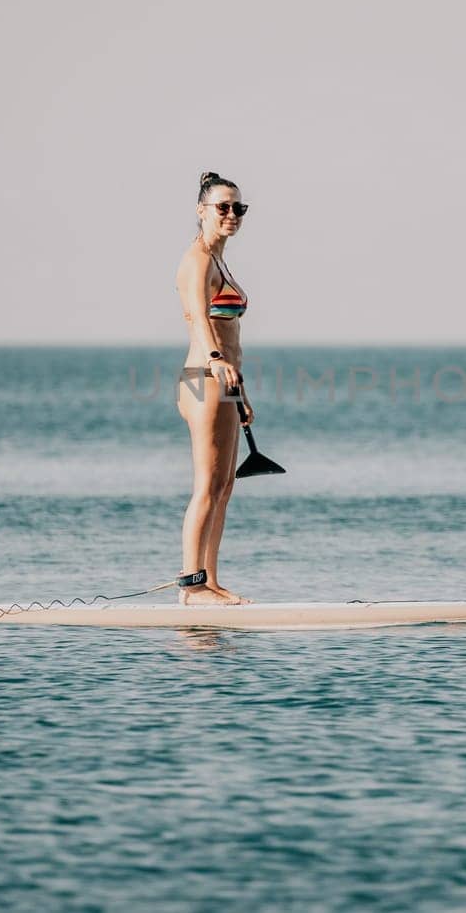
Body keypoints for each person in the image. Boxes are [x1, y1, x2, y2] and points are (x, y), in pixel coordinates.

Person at [174, 171, 255, 605]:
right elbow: (198, 318)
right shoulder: (198, 260)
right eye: (222, 207)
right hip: (203, 380)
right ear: (201, 211)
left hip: (224, 383)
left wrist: (240, 394)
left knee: (226, 486)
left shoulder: (220, 260)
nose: (231, 214)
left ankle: (211, 580)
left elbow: (230, 336)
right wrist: (216, 361)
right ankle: (191, 585)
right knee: (206, 485)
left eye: (237, 208)